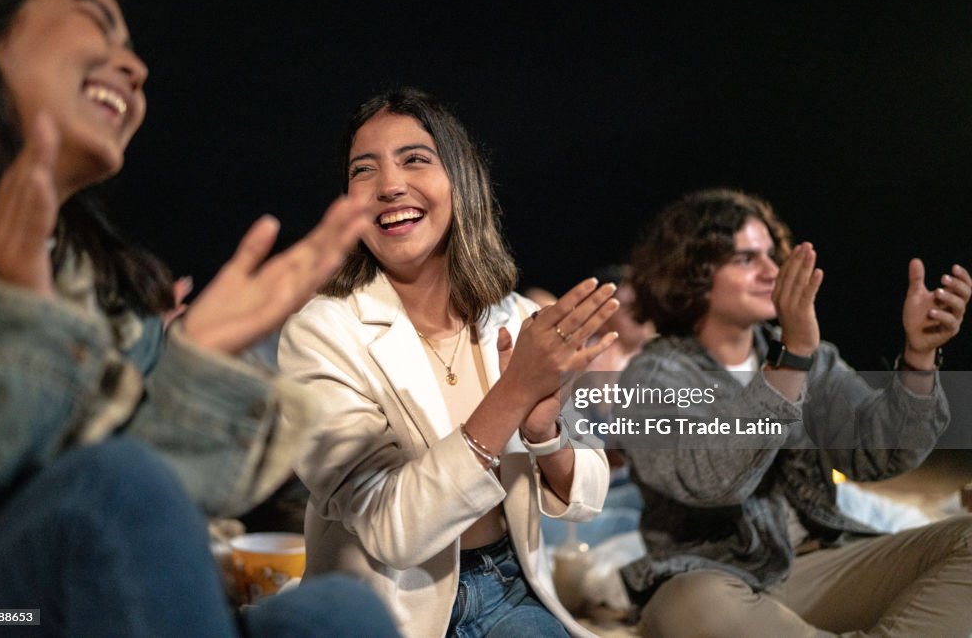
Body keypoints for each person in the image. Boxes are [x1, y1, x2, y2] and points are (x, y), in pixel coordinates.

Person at [0, 0, 397, 635]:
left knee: (337, 612)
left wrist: (194, 369)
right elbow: (98, 501)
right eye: (97, 23)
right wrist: (21, 321)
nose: (134, 67)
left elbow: (112, 529)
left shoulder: (92, 285)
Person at [278, 87, 616, 638]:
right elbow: (394, 533)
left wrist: (544, 432)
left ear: (463, 181)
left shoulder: (518, 317)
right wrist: (512, 395)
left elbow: (589, 492)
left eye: (415, 159)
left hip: (509, 588)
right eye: (364, 171)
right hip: (381, 608)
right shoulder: (320, 333)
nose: (389, 186)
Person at [612, 188, 972, 637]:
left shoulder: (812, 357)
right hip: (721, 582)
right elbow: (709, 480)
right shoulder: (651, 376)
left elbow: (879, 455)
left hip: (825, 568)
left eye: (771, 256)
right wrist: (791, 361)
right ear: (691, 275)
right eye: (745, 259)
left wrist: (919, 358)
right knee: (692, 605)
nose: (771, 272)